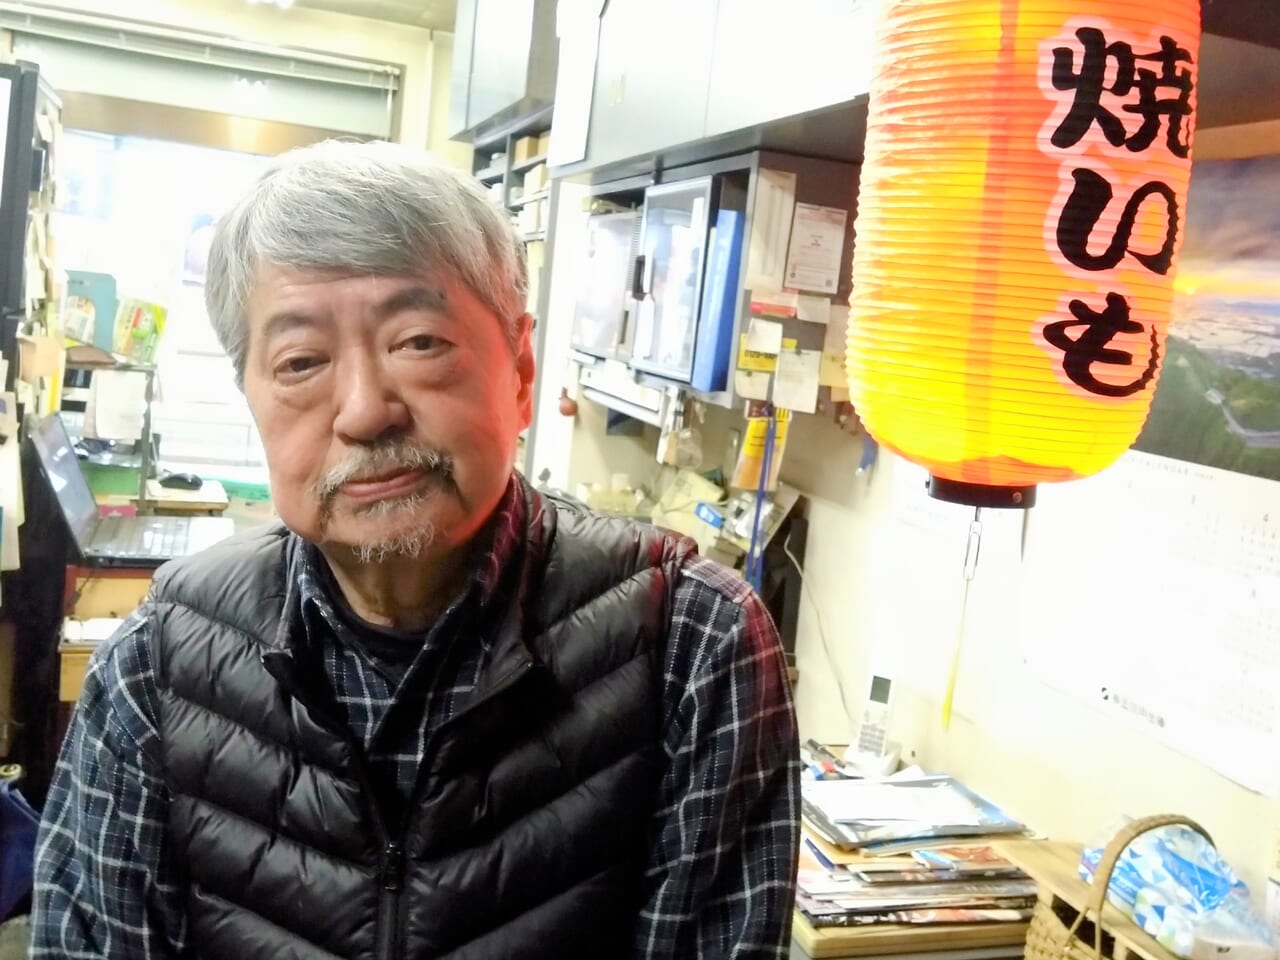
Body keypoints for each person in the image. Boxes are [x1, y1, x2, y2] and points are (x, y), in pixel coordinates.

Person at [31, 140, 800, 959]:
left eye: (420, 341)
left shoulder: (693, 644)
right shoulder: (160, 660)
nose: (365, 411)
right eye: (301, 361)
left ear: (521, 369)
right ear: (250, 395)